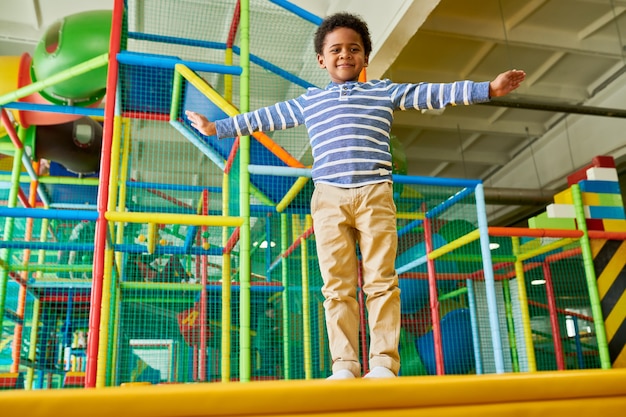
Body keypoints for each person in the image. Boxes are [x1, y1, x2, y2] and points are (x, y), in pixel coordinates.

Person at [186, 12, 525, 379]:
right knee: (337, 288)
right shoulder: (309, 102)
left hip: (374, 195)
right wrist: (217, 127)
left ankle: (382, 363)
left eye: (354, 49)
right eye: (336, 50)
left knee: (381, 280)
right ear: (321, 59)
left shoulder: (384, 92)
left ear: (365, 57)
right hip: (329, 199)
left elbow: (432, 92)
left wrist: (487, 89)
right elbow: (265, 118)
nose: (344, 55)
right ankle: (345, 365)